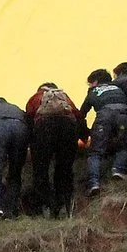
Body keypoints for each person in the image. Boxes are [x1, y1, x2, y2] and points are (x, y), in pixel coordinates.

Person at [24, 83, 83, 215]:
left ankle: (47, 205)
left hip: (44, 129)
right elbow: (78, 115)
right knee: (64, 169)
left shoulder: (36, 97)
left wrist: (29, 143)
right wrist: (83, 137)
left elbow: (28, 118)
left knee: (41, 170)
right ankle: (65, 205)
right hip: (67, 128)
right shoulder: (65, 97)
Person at [82, 71, 127, 193]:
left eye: (90, 83)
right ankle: (118, 169)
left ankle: (94, 183)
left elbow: (82, 113)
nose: (90, 86)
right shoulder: (118, 87)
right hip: (124, 114)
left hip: (105, 115)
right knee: (125, 146)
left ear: (95, 81)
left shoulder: (93, 91)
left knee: (95, 152)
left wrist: (85, 131)